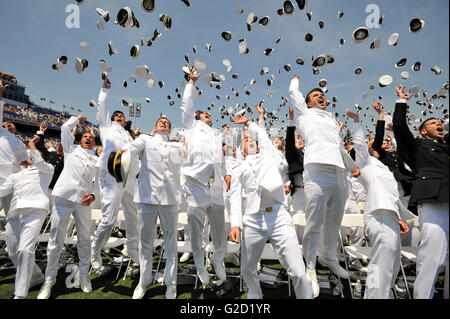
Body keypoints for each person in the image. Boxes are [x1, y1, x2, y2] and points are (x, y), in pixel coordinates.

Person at [228, 114, 313, 299]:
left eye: (253, 140)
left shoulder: (269, 157)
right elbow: (234, 197)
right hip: (252, 220)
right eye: (246, 140)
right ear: (240, 148)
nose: (250, 141)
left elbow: (263, 137)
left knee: (298, 271)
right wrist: (235, 224)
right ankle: (255, 295)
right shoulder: (237, 168)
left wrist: (249, 123)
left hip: (278, 217)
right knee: (248, 268)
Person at [289, 75, 358, 297]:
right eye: (316, 96)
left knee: (334, 219)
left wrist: (351, 166)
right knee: (314, 221)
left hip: (339, 171)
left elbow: (338, 146)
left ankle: (328, 256)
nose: (321, 96)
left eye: (323, 95)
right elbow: (293, 94)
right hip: (317, 170)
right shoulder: (304, 114)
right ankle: (310, 265)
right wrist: (295, 80)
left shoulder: (331, 118)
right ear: (308, 103)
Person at [346, 108, 416, 298]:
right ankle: (374, 294)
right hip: (377, 214)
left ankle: (386, 293)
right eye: (371, 147)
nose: (374, 148)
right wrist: (357, 121)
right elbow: (359, 144)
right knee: (381, 261)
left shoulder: (385, 168)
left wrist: (399, 217)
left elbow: (391, 195)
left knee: (393, 261)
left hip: (391, 216)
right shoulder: (365, 163)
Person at [392, 85, 449, 299]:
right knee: (433, 257)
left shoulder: (446, 147)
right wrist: (401, 102)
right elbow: (399, 126)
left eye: (440, 122)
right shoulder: (416, 146)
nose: (439, 124)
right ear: (423, 131)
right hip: (434, 200)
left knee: (441, 259)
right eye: (433, 123)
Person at [119, 116, 184, 299]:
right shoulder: (145, 139)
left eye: (167, 122)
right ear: (155, 127)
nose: (164, 123)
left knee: (171, 243)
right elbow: (131, 148)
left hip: (170, 200)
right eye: (160, 121)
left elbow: (191, 158)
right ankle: (144, 281)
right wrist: (120, 152)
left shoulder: (177, 145)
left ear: (170, 129)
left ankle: (171, 283)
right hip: (147, 198)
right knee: (145, 242)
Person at [37, 115, 98, 299]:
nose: (88, 138)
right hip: (64, 197)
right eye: (85, 136)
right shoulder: (71, 150)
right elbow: (65, 129)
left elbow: (100, 182)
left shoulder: (96, 160)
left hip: (83, 201)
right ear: (79, 140)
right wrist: (76, 119)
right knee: (56, 238)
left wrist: (94, 195)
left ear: (94, 142)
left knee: (85, 239)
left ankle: (84, 275)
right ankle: (49, 280)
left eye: (91, 137)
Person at [180, 65, 228, 286]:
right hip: (196, 183)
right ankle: (199, 260)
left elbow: (220, 157)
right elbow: (186, 106)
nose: (210, 116)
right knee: (196, 228)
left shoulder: (216, 134)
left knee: (219, 228)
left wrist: (225, 175)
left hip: (216, 185)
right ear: (197, 117)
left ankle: (218, 257)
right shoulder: (191, 126)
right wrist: (191, 83)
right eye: (206, 114)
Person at [91, 77, 140, 271]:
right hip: (112, 171)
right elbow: (102, 107)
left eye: (122, 117)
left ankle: (132, 248)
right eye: (116, 116)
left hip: (129, 175)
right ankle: (95, 249)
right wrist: (105, 90)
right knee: (109, 218)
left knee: (134, 215)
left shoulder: (129, 136)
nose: (119, 118)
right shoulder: (106, 127)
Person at [0, 135, 54, 299]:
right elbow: (2, 190)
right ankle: (36, 275)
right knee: (13, 251)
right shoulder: (16, 175)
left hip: (35, 211)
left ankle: (20, 294)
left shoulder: (47, 169)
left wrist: (31, 145)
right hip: (15, 212)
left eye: (34, 153)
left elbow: (38, 161)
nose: (30, 155)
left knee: (25, 249)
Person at [0, 79, 28, 214]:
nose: (7, 125)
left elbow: (25, 163)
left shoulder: (21, 143)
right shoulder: (1, 133)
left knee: (12, 214)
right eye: (4, 124)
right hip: (0, 176)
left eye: (10, 123)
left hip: (14, 180)